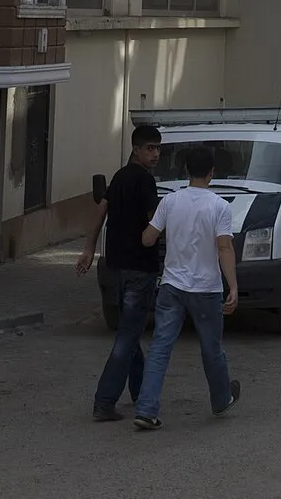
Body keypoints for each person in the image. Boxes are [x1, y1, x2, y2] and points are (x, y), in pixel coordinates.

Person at [132, 144, 239, 430]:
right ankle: (220, 399)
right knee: (211, 348)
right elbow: (224, 247)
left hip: (172, 287)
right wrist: (233, 286)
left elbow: (148, 239)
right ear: (212, 172)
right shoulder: (220, 206)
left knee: (160, 348)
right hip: (206, 289)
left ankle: (145, 409)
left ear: (186, 170)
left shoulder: (170, 202)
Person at [76, 124, 164, 422]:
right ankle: (104, 401)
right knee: (127, 335)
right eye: (150, 148)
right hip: (139, 268)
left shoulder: (119, 177)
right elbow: (153, 222)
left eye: (157, 148)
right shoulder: (145, 182)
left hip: (116, 267)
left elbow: (101, 210)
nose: (155, 154)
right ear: (136, 149)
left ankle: (140, 391)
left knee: (131, 330)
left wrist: (89, 248)